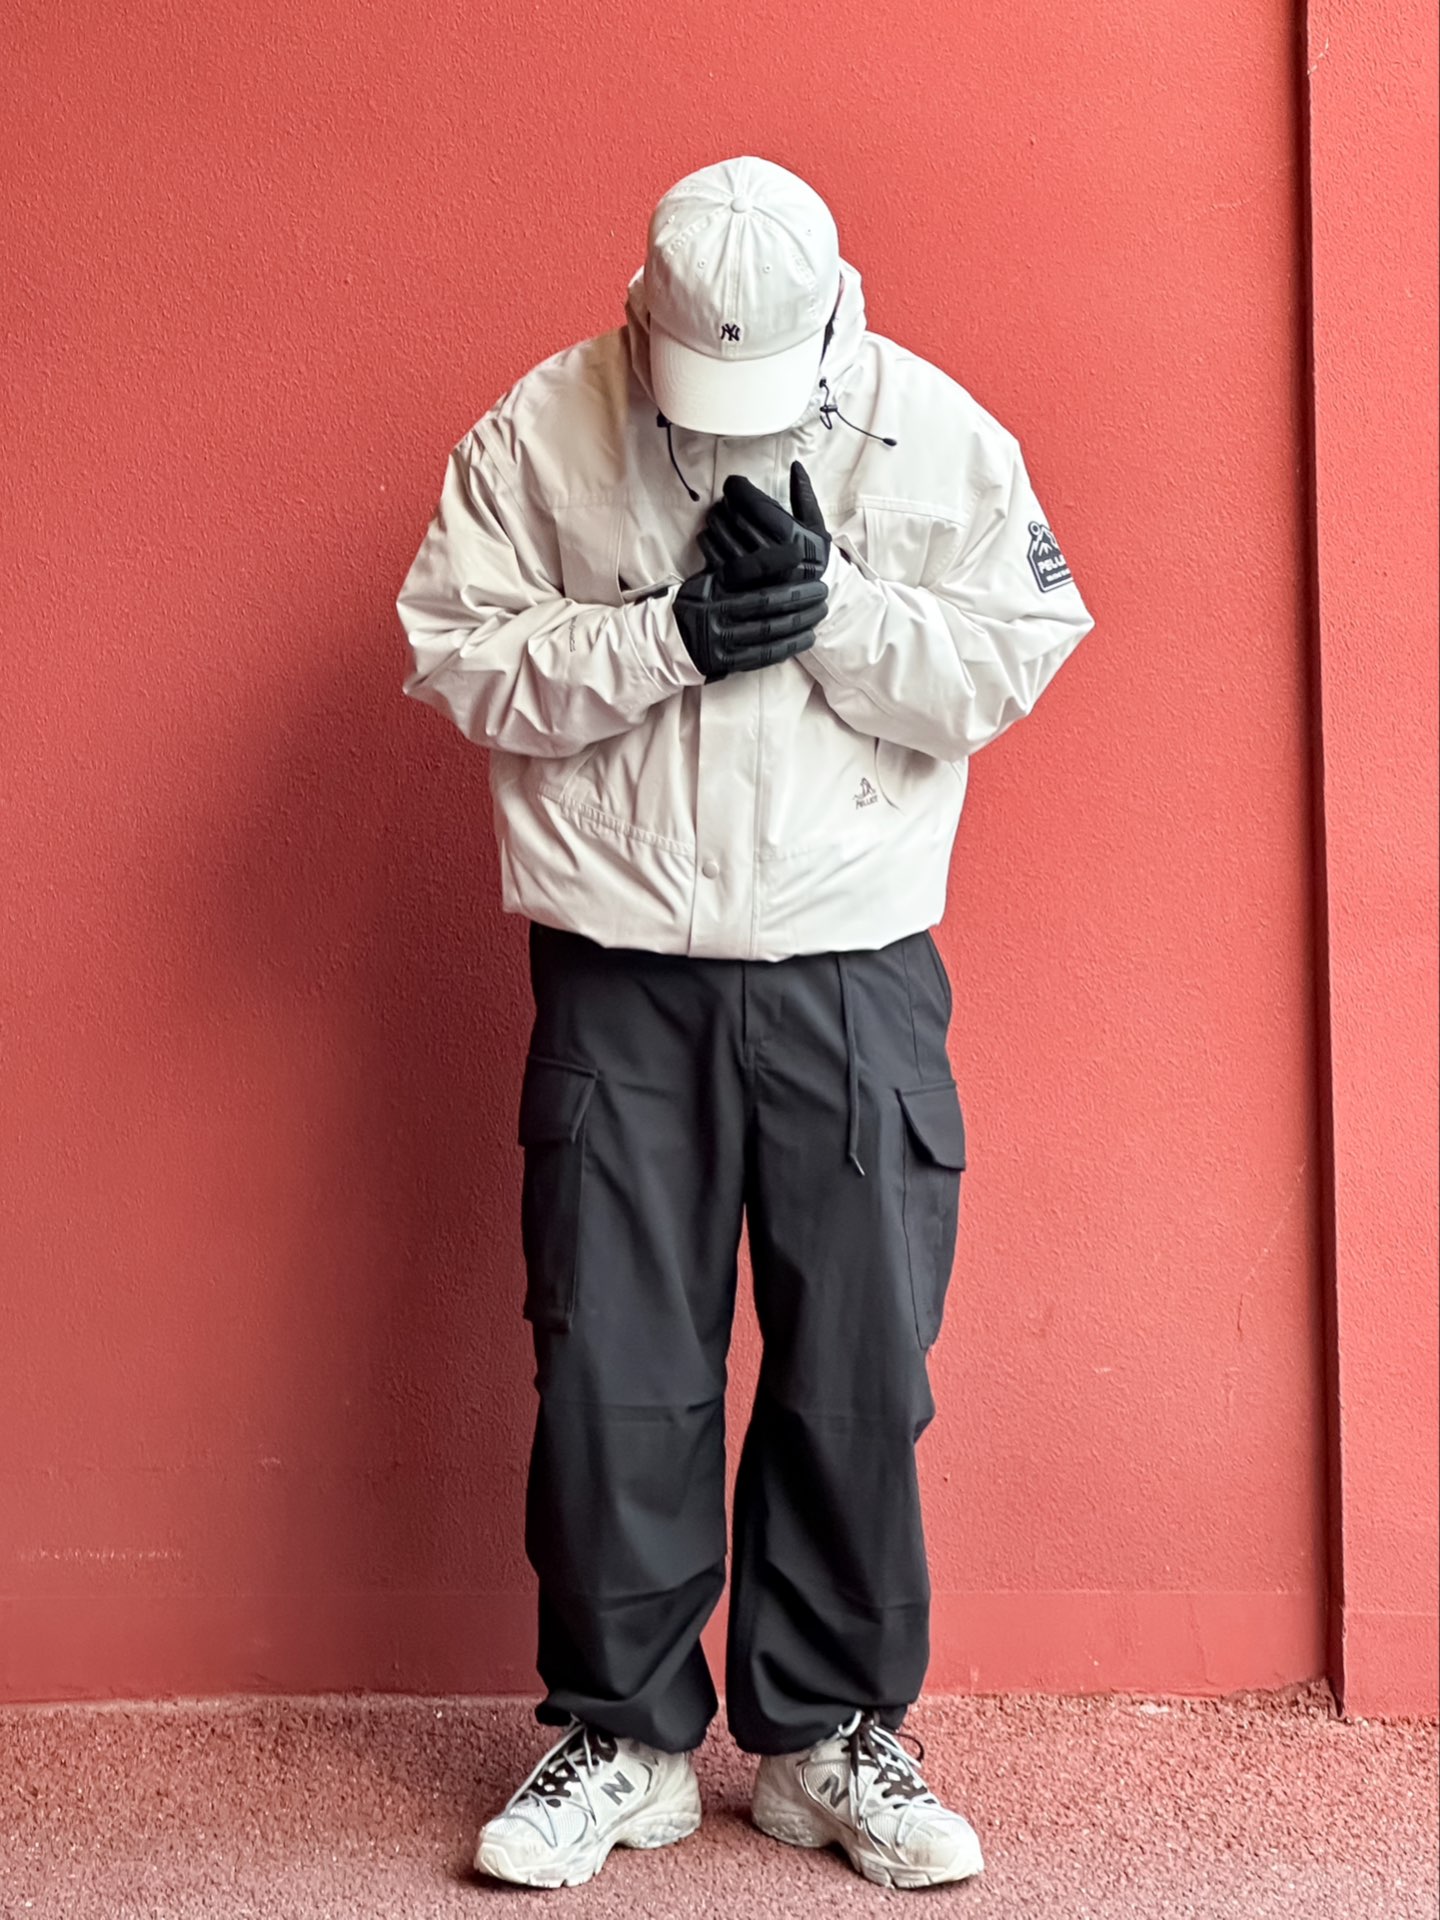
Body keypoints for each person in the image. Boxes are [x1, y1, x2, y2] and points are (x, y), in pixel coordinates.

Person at [395, 153, 1094, 1892]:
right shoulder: (541, 430)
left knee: (858, 1359)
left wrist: (838, 611)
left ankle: (831, 1736)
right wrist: (666, 639)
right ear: (642, 313)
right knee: (614, 1369)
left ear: (831, 319)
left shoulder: (936, 435)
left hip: (852, 963)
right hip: (620, 962)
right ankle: (623, 1736)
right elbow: (454, 651)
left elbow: (1017, 650)